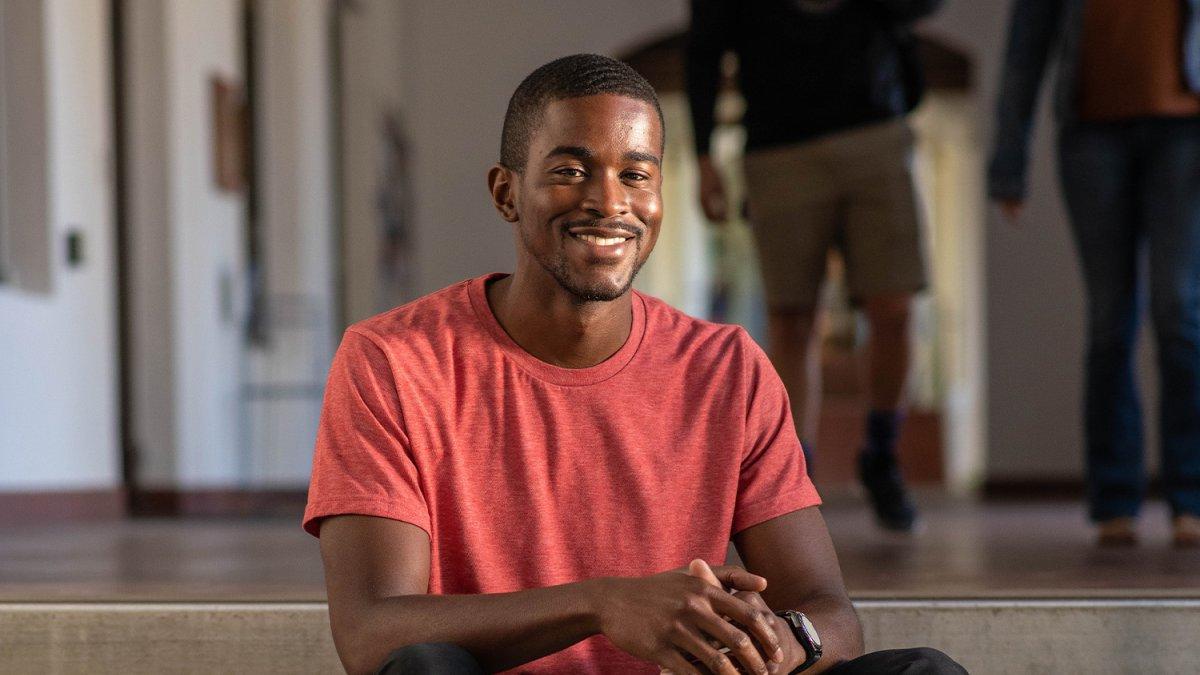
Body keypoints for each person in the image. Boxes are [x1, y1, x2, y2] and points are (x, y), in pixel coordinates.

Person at [304, 54, 966, 674]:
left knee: (924, 671)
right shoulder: (392, 361)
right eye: (570, 170)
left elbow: (833, 615)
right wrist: (603, 603)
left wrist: (779, 640)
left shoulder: (728, 368)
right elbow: (370, 631)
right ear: (506, 193)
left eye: (636, 174)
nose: (609, 200)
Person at [685, 0, 943, 533]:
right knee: (793, 317)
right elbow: (705, 46)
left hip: (875, 129)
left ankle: (881, 452)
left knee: (894, 308)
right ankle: (791, 479)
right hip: (778, 150)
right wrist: (704, 156)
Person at [990, 0, 1200, 547]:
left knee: (1180, 311)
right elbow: (1025, 49)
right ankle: (1114, 498)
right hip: (1091, 136)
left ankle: (1191, 498)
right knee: (1110, 320)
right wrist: (1008, 162)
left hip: (1186, 129)